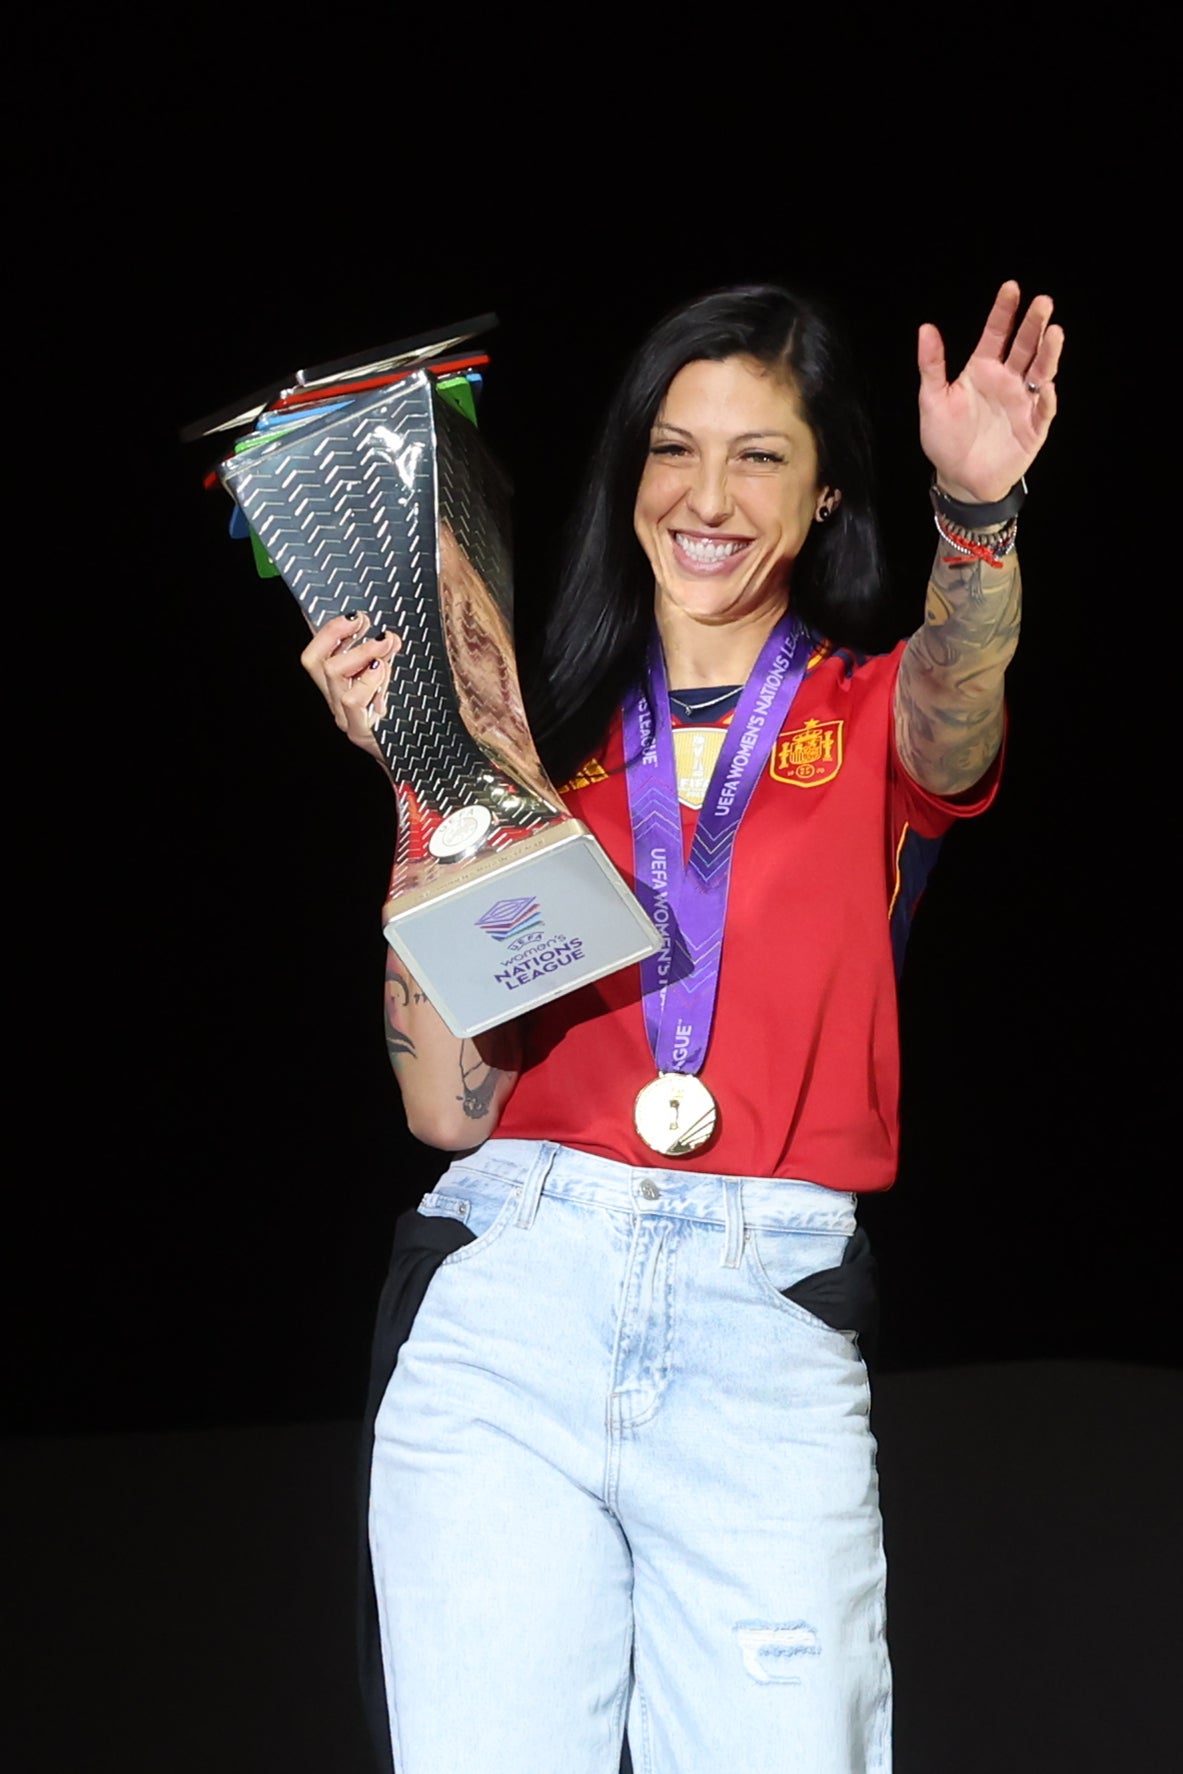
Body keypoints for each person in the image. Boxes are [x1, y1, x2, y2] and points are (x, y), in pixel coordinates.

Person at [300, 281, 1062, 1774]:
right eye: (675, 449)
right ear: (631, 475)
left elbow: (961, 714)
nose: (708, 497)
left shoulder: (870, 711)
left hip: (757, 1312)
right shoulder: (536, 740)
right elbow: (452, 1104)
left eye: (760, 456)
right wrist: (419, 775)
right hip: (514, 1296)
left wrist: (981, 514)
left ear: (826, 487)